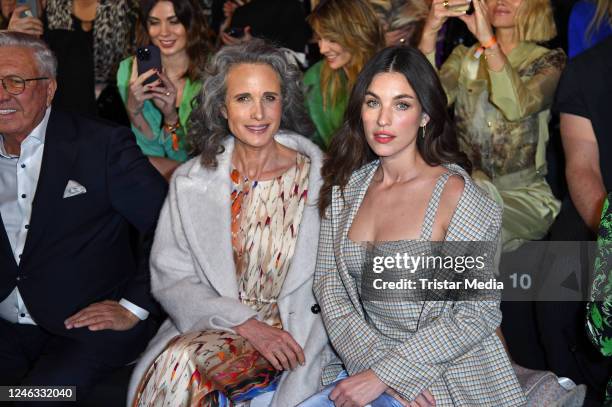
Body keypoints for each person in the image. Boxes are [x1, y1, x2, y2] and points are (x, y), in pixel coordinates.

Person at [300, 45, 525, 407]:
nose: (383, 119)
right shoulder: (346, 189)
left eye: (401, 105)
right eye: (373, 103)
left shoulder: (459, 196)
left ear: (424, 116)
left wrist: (388, 374)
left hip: (450, 374)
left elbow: (475, 313)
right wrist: (376, 372)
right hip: (363, 364)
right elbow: (330, 287)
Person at [128, 39, 332, 407]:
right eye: (244, 99)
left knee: (184, 365)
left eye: (270, 97)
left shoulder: (325, 180)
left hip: (296, 332)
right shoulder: (192, 182)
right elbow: (171, 278)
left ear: (283, 103)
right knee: (180, 363)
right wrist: (245, 324)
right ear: (222, 108)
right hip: (215, 324)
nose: (259, 113)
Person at [0, 32, 166, 400]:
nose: (1, 95)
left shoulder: (101, 146)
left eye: (15, 82)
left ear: (50, 89)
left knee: (34, 398)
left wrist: (134, 307)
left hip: (83, 328)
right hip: (6, 326)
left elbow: (169, 224)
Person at [419, 0, 565, 252]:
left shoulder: (549, 60)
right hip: (466, 190)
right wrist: (430, 30)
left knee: (464, 214)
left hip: (525, 198)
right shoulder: (465, 57)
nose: (501, 1)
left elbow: (517, 107)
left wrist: (489, 43)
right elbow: (426, 103)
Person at [117, 0, 212, 179]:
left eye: (174, 21)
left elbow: (189, 157)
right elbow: (148, 154)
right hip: (154, 175)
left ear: (191, 23)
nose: (164, 32)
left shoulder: (215, 72)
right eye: (154, 23)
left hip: (204, 174)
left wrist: (171, 117)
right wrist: (133, 110)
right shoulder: (128, 71)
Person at [304, 0, 385, 149]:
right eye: (319, 38)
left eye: (332, 39)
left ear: (356, 35)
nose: (322, 49)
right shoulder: (315, 78)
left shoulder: (388, 75)